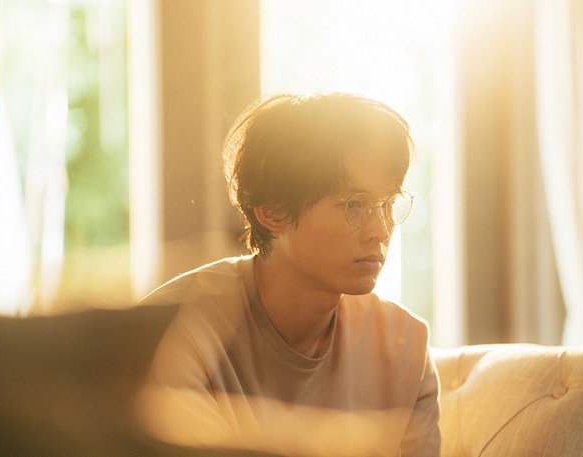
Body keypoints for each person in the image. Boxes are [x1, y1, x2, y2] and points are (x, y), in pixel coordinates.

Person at [133, 92, 441, 456]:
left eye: (387, 204)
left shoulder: (404, 346)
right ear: (273, 213)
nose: (381, 230)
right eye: (354, 205)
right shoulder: (173, 334)